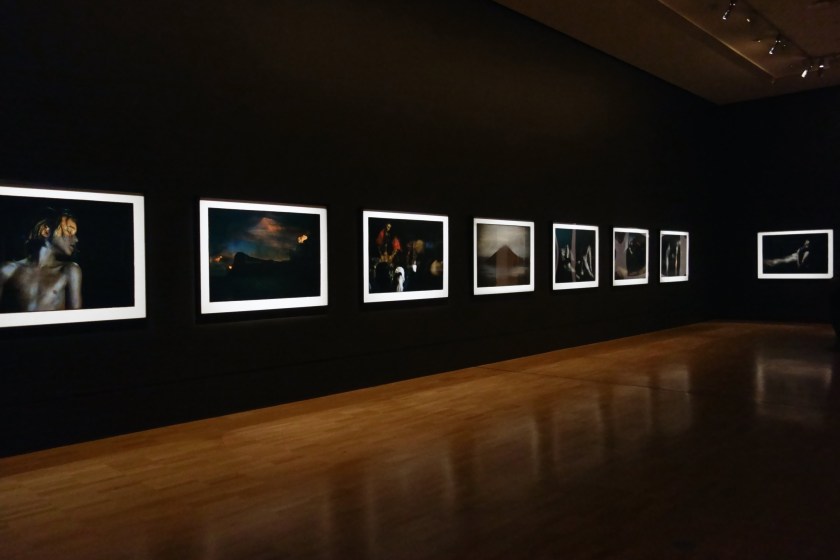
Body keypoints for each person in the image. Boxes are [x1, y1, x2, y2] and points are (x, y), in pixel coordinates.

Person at [0, 209, 82, 312]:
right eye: (69, 231)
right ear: (46, 231)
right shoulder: (7, 270)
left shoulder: (69, 270)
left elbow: (75, 320)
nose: (76, 239)